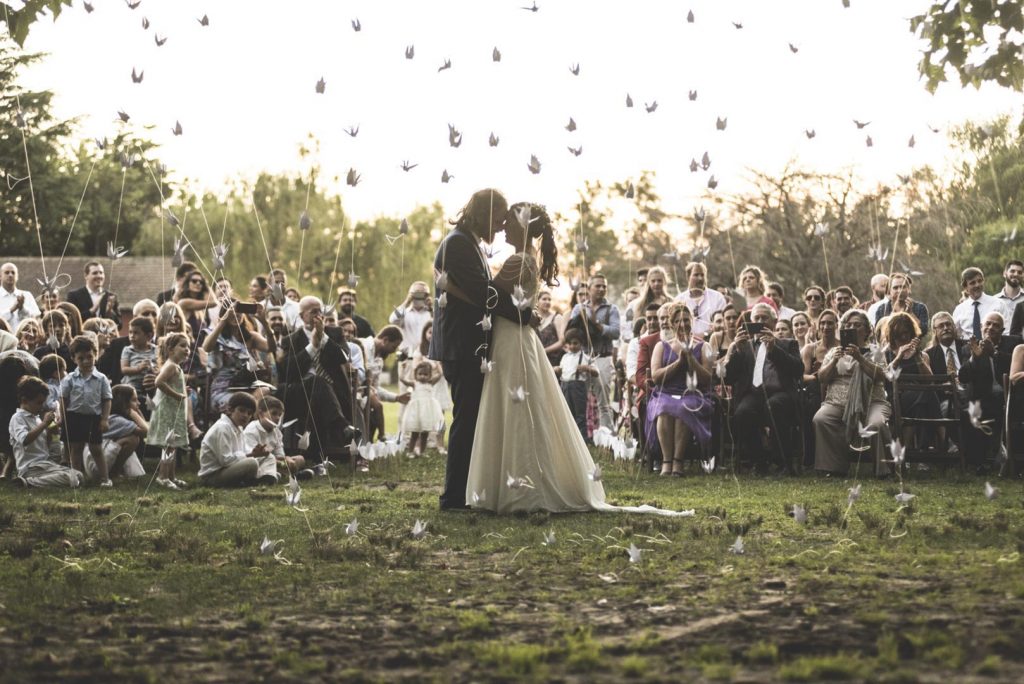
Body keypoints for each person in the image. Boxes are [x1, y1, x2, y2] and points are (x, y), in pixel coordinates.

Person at [465, 202, 690, 516]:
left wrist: (453, 283)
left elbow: (487, 294)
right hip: (511, 336)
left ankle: (522, 489)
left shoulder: (520, 259)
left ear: (523, 226)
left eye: (508, 221)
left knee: (517, 410)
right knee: (515, 407)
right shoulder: (526, 257)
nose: (502, 225)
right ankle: (511, 484)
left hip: (512, 341)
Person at [429, 189, 529, 511]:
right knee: (466, 420)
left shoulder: (467, 242)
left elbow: (479, 292)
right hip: (462, 346)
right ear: (485, 214)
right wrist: (523, 313)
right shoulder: (458, 243)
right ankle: (454, 497)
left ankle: (463, 492)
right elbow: (481, 292)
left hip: (468, 344)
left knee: (470, 419)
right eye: (499, 219)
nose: (501, 227)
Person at [278, 296, 359, 472]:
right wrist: (312, 346)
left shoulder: (335, 333)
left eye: (320, 311)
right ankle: (342, 426)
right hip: (301, 392)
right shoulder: (290, 339)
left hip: (334, 394)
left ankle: (318, 459)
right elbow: (289, 370)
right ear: (301, 316)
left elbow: (343, 357)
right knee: (316, 382)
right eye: (313, 311)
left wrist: (323, 338)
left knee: (319, 394)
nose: (318, 315)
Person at [724, 303, 803, 473]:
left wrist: (773, 348)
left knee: (774, 406)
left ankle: (783, 462)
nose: (760, 322)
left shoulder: (788, 344)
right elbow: (729, 377)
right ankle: (759, 461)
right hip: (754, 393)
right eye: (756, 319)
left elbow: (798, 370)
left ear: (774, 322)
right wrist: (736, 350)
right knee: (742, 412)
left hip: (780, 393)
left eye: (764, 318)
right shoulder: (744, 346)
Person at [813, 309, 892, 476]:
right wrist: (834, 360)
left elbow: (881, 376)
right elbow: (822, 378)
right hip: (837, 402)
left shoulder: (875, 352)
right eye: (848, 325)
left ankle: (882, 470)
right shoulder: (835, 352)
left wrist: (860, 358)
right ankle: (834, 468)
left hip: (872, 401)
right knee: (821, 418)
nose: (853, 328)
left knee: (876, 424)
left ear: (867, 330)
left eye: (857, 325)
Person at [647, 302, 714, 476]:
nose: (682, 324)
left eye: (685, 320)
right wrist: (679, 363)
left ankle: (678, 462)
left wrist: (691, 360)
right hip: (666, 393)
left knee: (683, 406)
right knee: (664, 408)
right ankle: (666, 461)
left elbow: (707, 379)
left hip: (694, 393)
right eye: (677, 321)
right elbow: (656, 377)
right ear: (671, 323)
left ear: (691, 321)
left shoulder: (704, 346)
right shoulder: (661, 346)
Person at [959, 311, 1020, 469]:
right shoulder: (969, 347)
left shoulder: (1013, 344)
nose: (991, 327)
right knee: (976, 409)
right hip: (982, 397)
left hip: (1011, 395)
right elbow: (963, 377)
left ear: (1003, 329)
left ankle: (1009, 459)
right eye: (988, 324)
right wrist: (975, 357)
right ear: (981, 326)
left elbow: (1015, 366)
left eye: (996, 325)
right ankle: (980, 462)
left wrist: (994, 353)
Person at [9, 377, 83, 488]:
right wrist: (44, 424)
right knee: (69, 478)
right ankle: (27, 482)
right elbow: (25, 440)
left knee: (79, 475)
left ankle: (32, 481)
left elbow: (44, 447)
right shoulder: (18, 418)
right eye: (38, 403)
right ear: (24, 400)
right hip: (30, 467)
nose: (41, 407)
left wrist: (49, 432)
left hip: (44, 464)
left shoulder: (36, 418)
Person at [567, 274, 620, 430]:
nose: (602, 289)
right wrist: (582, 325)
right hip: (583, 357)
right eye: (598, 286)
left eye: (604, 286)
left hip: (603, 357)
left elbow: (616, 332)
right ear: (589, 289)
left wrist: (597, 325)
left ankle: (606, 438)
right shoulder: (579, 308)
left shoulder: (612, 309)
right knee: (579, 398)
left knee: (603, 400)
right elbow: (571, 332)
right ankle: (582, 436)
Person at [60, 334, 113, 486]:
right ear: (73, 358)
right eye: (81, 358)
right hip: (74, 417)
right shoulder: (69, 379)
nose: (86, 361)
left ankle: (105, 478)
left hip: (93, 418)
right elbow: (63, 399)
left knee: (96, 448)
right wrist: (62, 418)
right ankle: (77, 478)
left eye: (89, 357)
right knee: (75, 449)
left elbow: (107, 399)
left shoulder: (101, 379)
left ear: (95, 355)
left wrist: (104, 419)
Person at [883, 312, 940, 448]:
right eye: (899, 334)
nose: (903, 337)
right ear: (893, 335)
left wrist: (917, 357)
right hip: (896, 398)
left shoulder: (922, 355)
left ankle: (912, 453)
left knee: (921, 405)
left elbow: (930, 380)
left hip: (920, 397)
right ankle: (941, 440)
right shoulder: (886, 354)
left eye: (906, 333)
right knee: (928, 394)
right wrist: (899, 356)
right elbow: (886, 377)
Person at [199, 392, 273, 487]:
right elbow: (225, 461)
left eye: (249, 413)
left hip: (228, 469)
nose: (245, 415)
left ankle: (269, 477)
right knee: (252, 463)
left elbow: (243, 451)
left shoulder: (239, 428)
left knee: (269, 457)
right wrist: (251, 455)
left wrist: (257, 452)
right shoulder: (222, 428)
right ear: (230, 410)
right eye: (241, 410)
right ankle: (254, 481)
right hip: (214, 476)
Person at [147, 333, 192, 490]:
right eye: (183, 346)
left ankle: (171, 476)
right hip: (167, 411)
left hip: (173, 411)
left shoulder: (175, 366)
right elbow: (158, 382)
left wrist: (182, 389)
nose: (187, 349)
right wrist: (177, 394)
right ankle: (162, 476)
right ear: (171, 349)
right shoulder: (171, 365)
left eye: (188, 347)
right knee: (169, 445)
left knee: (172, 444)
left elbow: (170, 384)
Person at [243, 396, 313, 482]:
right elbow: (253, 458)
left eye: (280, 415)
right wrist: (282, 463)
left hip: (275, 463)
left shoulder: (277, 432)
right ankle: (291, 475)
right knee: (271, 462)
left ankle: (284, 474)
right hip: (258, 463)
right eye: (274, 413)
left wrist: (287, 460)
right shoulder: (251, 431)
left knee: (300, 459)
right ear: (261, 414)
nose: (277, 418)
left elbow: (279, 454)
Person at [87, 384, 147, 481]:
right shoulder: (117, 420)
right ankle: (114, 473)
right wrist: (134, 414)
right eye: (134, 400)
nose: (139, 403)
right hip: (96, 467)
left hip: (97, 463)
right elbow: (145, 432)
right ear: (123, 403)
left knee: (131, 436)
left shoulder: (114, 417)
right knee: (133, 439)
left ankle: (115, 472)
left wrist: (138, 413)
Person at [556, 328, 597, 441]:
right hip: (565, 386)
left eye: (575, 343)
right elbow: (561, 370)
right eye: (569, 343)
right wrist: (557, 370)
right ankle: (570, 438)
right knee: (567, 413)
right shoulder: (565, 357)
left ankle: (582, 438)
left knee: (580, 414)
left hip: (578, 387)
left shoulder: (585, 357)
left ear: (581, 343)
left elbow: (596, 372)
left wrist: (587, 368)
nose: (572, 346)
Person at [401, 361, 444, 457]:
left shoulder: (430, 383)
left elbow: (440, 375)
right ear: (416, 374)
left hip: (427, 413)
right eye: (420, 374)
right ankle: (410, 451)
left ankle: (422, 451)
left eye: (426, 374)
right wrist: (403, 369)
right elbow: (402, 379)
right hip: (416, 412)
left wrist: (438, 366)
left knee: (425, 433)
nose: (423, 376)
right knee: (414, 433)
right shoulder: (415, 384)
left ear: (429, 375)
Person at [677, 262, 728, 338]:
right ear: (688, 277)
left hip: (712, 341)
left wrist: (704, 335)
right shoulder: (679, 300)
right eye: (696, 275)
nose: (700, 278)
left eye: (702, 275)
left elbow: (723, 324)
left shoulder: (717, 298)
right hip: (687, 343)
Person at [953, 267, 1003, 340]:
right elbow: (956, 335)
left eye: (979, 281)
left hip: (994, 347)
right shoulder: (959, 310)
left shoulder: (998, 304)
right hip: (968, 348)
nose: (977, 285)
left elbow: (1006, 331)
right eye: (972, 283)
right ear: (965, 287)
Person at [65, 261, 120, 325]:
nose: (99, 276)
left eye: (101, 273)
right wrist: (91, 311)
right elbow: (70, 321)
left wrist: (110, 312)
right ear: (86, 276)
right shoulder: (74, 296)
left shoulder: (111, 296)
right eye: (95, 273)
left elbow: (119, 325)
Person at [120, 316, 157, 395]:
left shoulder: (155, 350)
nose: (132, 336)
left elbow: (160, 367)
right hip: (132, 386)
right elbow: (124, 369)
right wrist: (138, 368)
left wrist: (152, 369)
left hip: (151, 384)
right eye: (130, 332)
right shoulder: (128, 350)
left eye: (136, 333)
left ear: (149, 336)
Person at [1, 262, 41, 329]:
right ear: (0, 276)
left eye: (13, 273)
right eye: (7, 272)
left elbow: (35, 319)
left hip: (25, 338)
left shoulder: (27, 295)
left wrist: (22, 309)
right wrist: (11, 310)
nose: (10, 275)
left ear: (17, 277)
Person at [536, 289, 565, 366]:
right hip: (536, 358)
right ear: (537, 301)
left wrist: (544, 351)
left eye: (549, 300)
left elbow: (562, 341)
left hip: (553, 359)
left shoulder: (557, 317)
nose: (547, 302)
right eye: (544, 299)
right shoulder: (533, 318)